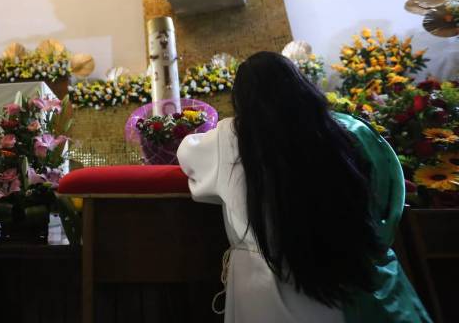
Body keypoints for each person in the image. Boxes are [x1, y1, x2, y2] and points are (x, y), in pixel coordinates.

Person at [177, 52, 432, 323]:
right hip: (342, 281)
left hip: (264, 289)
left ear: (240, 98)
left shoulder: (229, 138)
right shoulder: (346, 130)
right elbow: (387, 196)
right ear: (300, 83)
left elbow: (187, 157)